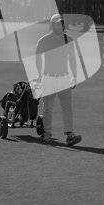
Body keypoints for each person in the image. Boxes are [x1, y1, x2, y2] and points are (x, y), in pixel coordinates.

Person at [35, 14, 82, 146]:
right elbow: (38, 58)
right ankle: (47, 134)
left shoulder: (69, 39)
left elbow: (72, 58)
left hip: (65, 78)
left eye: (61, 23)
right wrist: (39, 75)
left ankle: (70, 135)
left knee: (67, 108)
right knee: (48, 109)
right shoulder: (43, 40)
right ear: (51, 25)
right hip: (49, 78)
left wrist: (75, 76)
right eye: (56, 23)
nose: (59, 25)